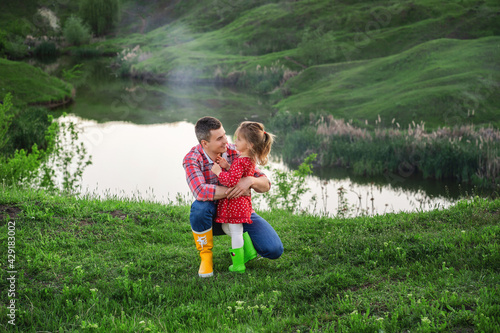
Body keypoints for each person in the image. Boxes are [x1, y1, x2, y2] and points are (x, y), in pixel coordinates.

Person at [183, 116, 283, 277]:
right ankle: (206, 257)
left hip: (237, 211)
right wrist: (239, 189)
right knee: (200, 207)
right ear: (205, 144)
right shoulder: (192, 159)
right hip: (212, 216)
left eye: (224, 134)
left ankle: (246, 245)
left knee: (274, 249)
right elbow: (200, 191)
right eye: (220, 138)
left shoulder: (236, 151)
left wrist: (250, 180)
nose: (226, 141)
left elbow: (265, 184)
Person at [211, 121, 274, 273]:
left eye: (239, 139)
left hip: (235, 204)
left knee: (235, 232)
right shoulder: (248, 159)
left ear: (250, 144)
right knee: (230, 229)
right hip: (244, 203)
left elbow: (232, 181)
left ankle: (238, 264)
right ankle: (250, 251)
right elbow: (241, 175)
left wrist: (219, 172)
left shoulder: (240, 161)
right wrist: (227, 166)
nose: (235, 142)